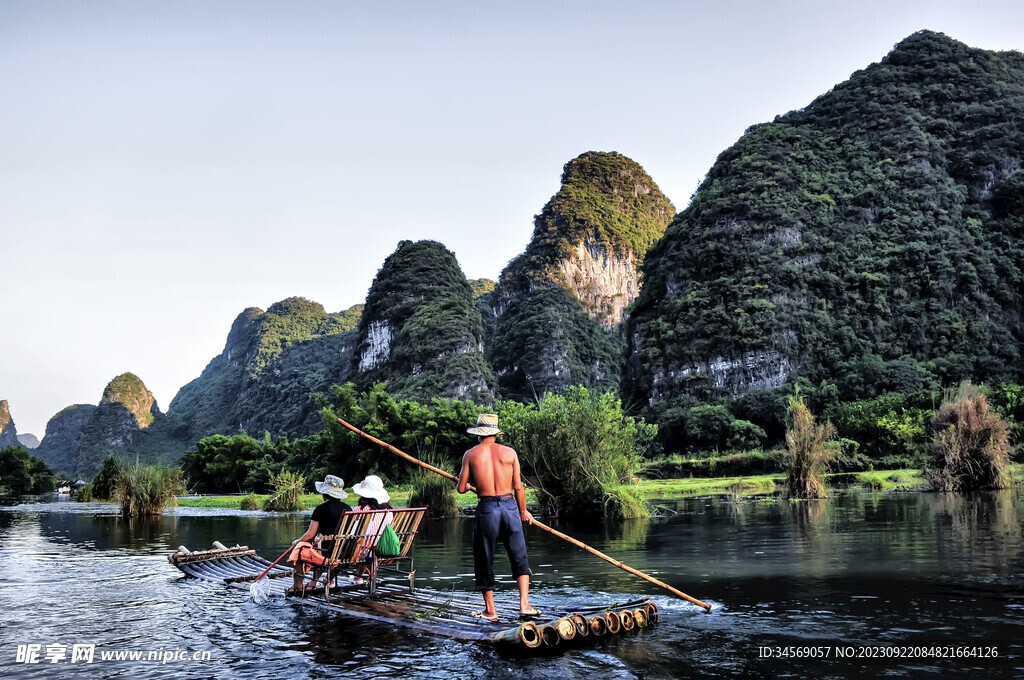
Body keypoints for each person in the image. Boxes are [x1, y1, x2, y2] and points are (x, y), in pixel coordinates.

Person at [457, 413, 540, 622]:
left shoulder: (470, 455)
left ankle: (490, 611)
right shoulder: (510, 452)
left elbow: (460, 488)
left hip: (487, 509)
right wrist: (523, 511)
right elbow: (518, 487)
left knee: (484, 557)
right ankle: (524, 605)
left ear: (479, 434)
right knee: (519, 555)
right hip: (510, 506)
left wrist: (469, 487)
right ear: (496, 432)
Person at [286, 474, 352, 595]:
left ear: (324, 493)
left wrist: (297, 542)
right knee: (320, 547)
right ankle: (313, 583)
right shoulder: (348, 508)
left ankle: (298, 585)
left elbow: (310, 534)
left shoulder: (320, 509)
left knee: (300, 550)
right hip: (346, 550)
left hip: (328, 551)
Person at [349, 474, 394, 585]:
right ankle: (359, 577)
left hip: (363, 549)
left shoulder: (361, 509)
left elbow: (354, 531)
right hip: (383, 547)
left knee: (362, 543)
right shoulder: (389, 511)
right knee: (368, 545)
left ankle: (358, 577)